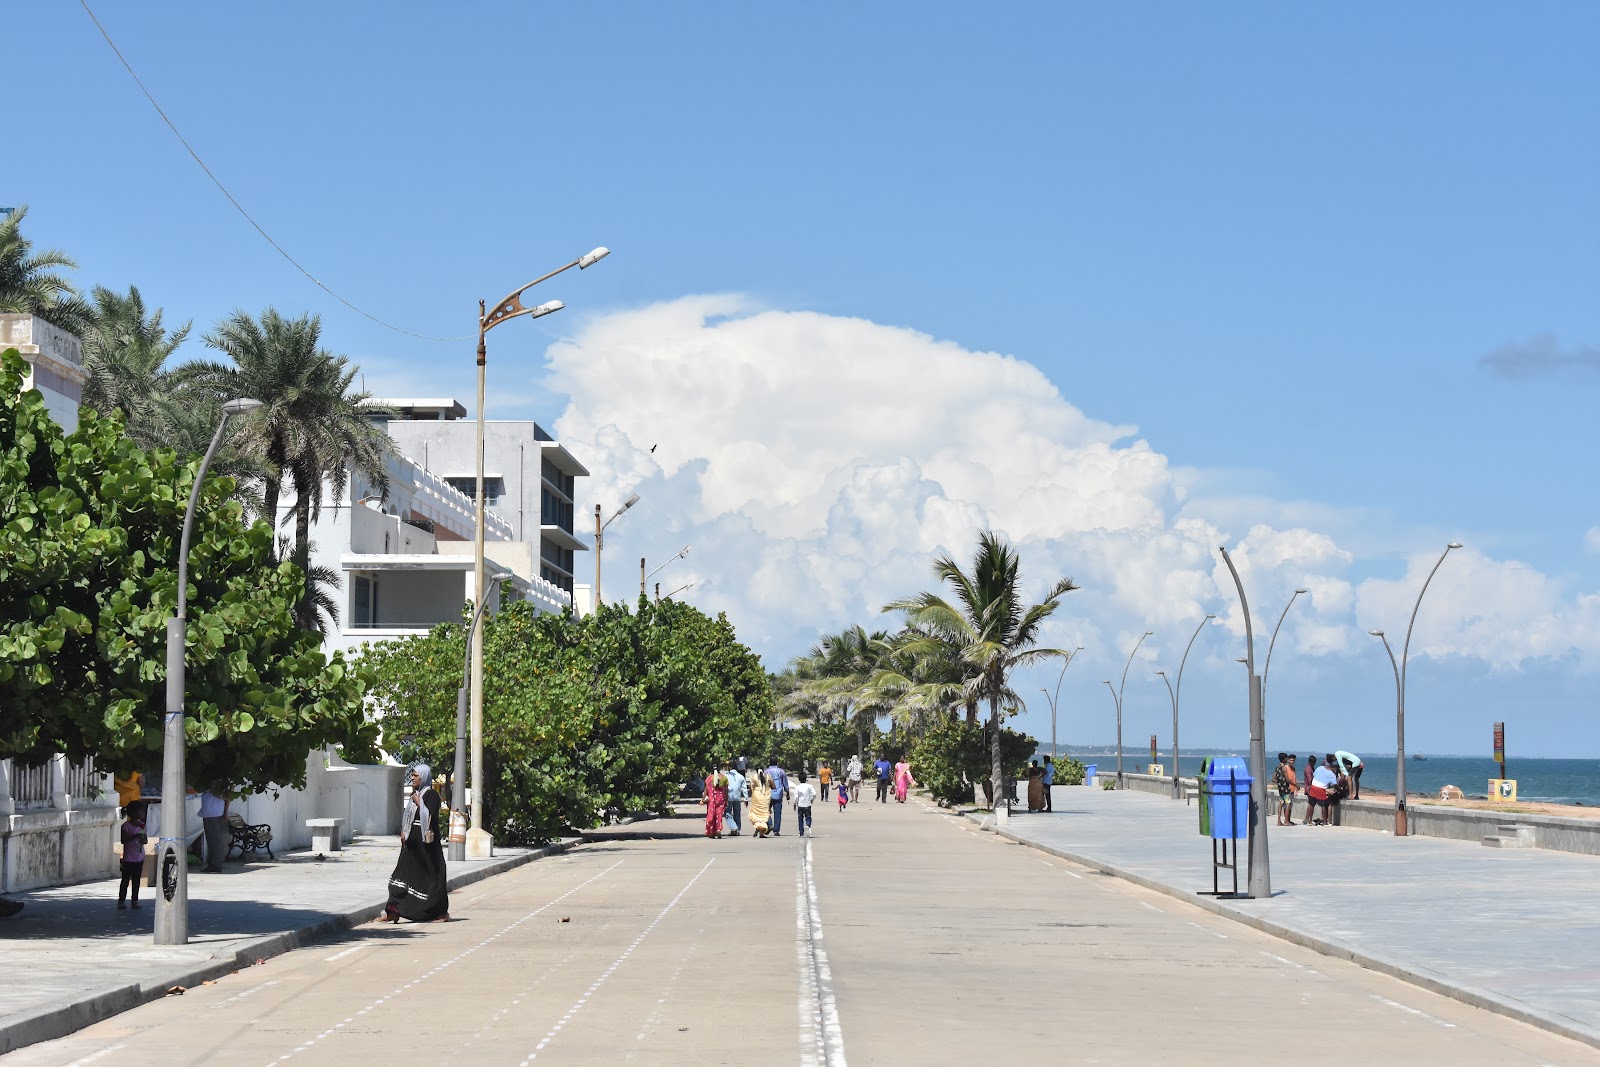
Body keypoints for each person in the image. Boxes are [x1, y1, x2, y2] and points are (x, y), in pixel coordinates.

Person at [381, 764, 449, 923]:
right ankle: (393, 911)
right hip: (411, 846)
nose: (412, 778)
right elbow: (408, 817)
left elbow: (431, 817)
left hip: (427, 847)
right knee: (399, 877)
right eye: (412, 775)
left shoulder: (431, 795)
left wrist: (420, 803)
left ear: (424, 777)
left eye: (416, 775)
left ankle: (438, 913)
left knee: (432, 878)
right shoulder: (414, 794)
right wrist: (404, 831)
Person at [118, 803, 147, 910]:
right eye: (141, 811)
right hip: (128, 858)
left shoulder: (142, 826)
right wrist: (135, 836)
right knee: (125, 880)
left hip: (139, 857)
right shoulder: (125, 826)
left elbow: (145, 840)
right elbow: (123, 840)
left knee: (136, 880)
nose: (143, 813)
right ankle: (121, 900)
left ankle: (135, 900)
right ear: (134, 813)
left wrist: (142, 839)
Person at [199, 788, 229, 872]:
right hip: (213, 812)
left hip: (212, 813)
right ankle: (213, 863)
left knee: (214, 840)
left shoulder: (216, 785)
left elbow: (225, 796)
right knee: (213, 840)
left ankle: (215, 864)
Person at [1307, 755, 1338, 826]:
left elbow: (1314, 775)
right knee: (1324, 805)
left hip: (1313, 786)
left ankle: (1310, 821)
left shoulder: (1320, 768)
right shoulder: (1332, 774)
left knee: (1312, 804)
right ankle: (1325, 822)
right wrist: (1337, 790)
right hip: (1321, 788)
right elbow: (1335, 785)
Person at [766, 757, 790, 836]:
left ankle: (769, 824)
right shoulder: (781, 771)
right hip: (778, 795)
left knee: (766, 811)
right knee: (777, 813)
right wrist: (787, 792)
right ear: (777, 763)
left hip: (768, 794)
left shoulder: (766, 772)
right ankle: (776, 830)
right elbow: (785, 783)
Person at [704, 764, 728, 838]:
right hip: (721, 798)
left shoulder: (709, 778)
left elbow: (706, 790)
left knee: (712, 815)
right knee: (719, 815)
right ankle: (718, 830)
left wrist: (703, 799)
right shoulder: (724, 778)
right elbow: (726, 790)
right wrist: (726, 799)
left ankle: (712, 832)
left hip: (712, 799)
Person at [1273, 753, 1297, 826]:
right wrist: (1296, 785)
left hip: (1280, 789)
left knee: (1281, 804)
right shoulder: (1284, 768)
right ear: (1284, 759)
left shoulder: (1277, 767)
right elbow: (1287, 780)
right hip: (1286, 789)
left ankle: (1279, 821)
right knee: (1288, 803)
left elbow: (1274, 779)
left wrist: (1279, 782)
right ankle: (1286, 821)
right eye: (1286, 758)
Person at [748, 772, 774, 838]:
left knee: (756, 813)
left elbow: (751, 788)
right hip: (766, 796)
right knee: (764, 812)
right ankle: (761, 831)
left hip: (756, 797)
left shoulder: (754, 777)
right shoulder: (768, 776)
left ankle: (758, 830)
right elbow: (773, 786)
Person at [724, 762, 747, 836]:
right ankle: (737, 829)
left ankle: (734, 828)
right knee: (737, 814)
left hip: (729, 797)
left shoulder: (726, 776)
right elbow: (744, 788)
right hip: (737, 797)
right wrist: (745, 799)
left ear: (729, 768)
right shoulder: (741, 776)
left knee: (727, 813)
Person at [792, 770, 816, 837]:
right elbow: (814, 794)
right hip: (807, 805)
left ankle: (801, 832)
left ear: (799, 779)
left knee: (800, 819)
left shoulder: (797, 787)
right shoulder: (809, 786)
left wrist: (794, 804)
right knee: (808, 817)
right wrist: (811, 800)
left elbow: (796, 797)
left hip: (800, 805)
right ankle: (808, 825)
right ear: (806, 778)